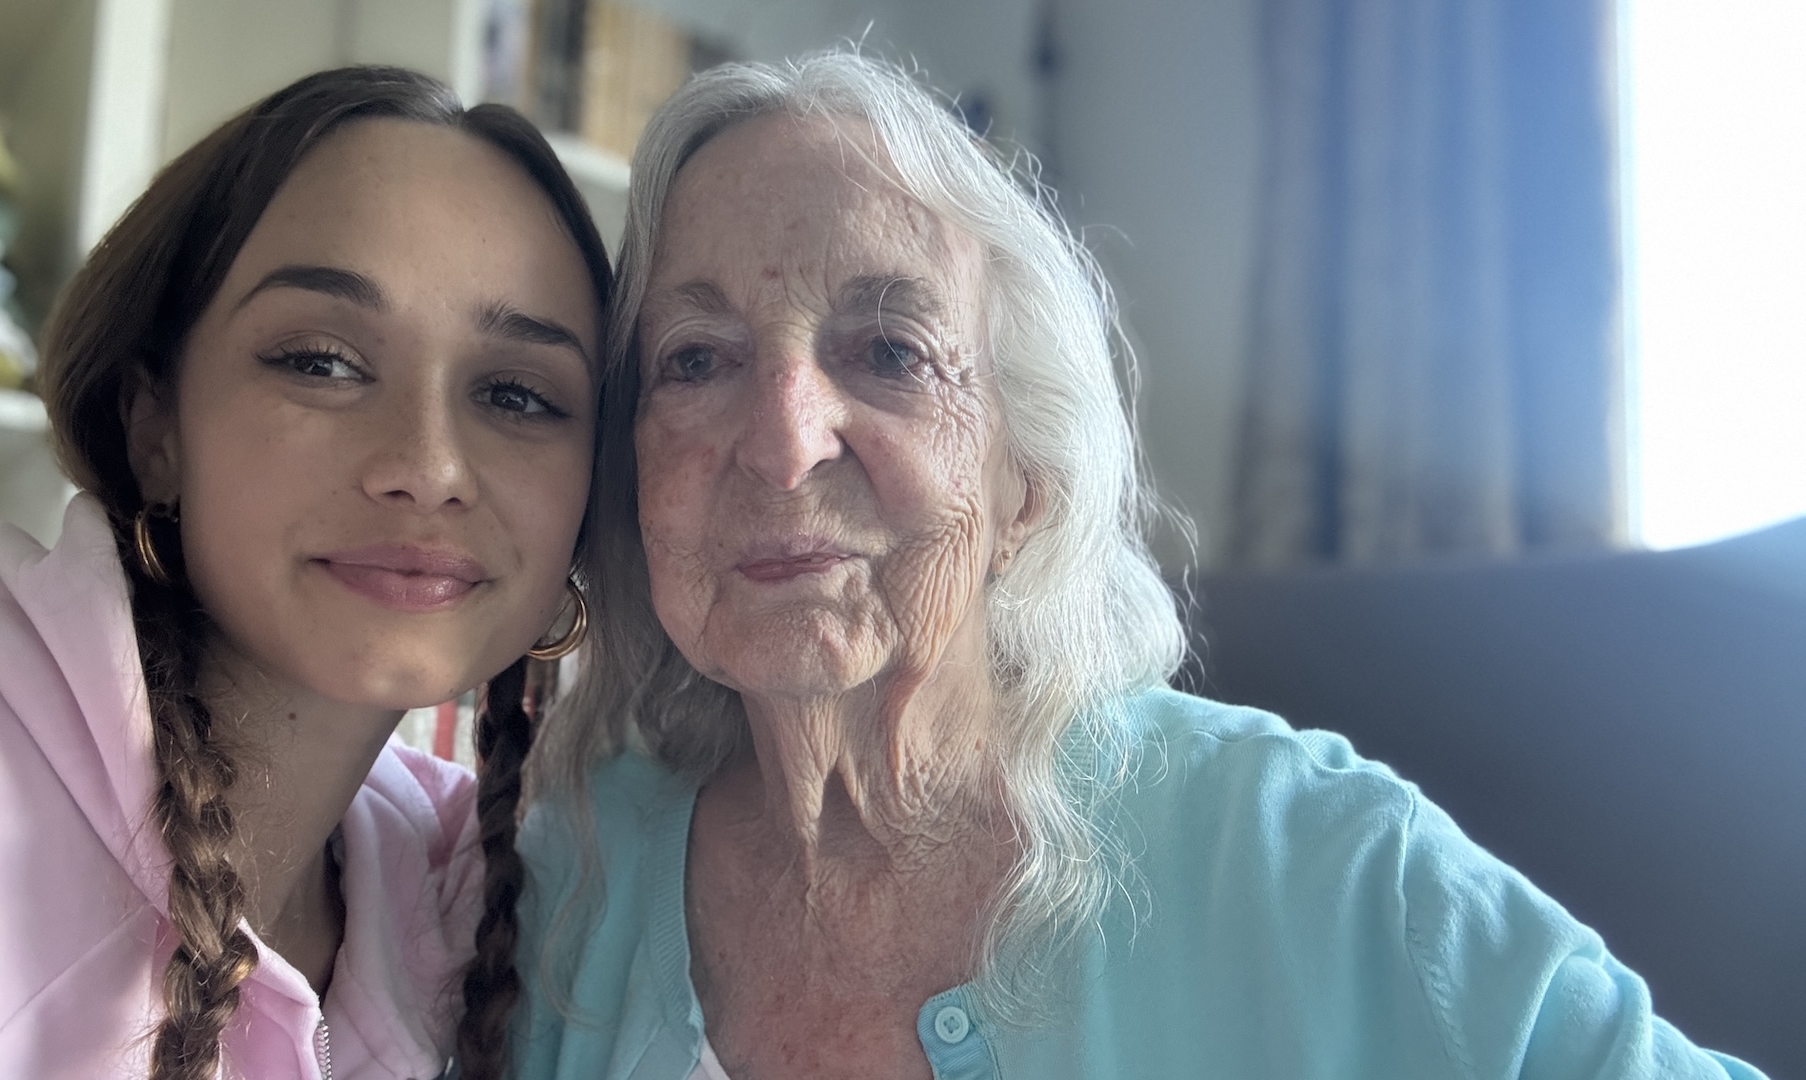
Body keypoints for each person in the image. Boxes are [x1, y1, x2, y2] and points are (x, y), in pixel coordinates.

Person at [508, 52, 1769, 1080]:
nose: (783, 442)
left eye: (889, 351)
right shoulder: (565, 874)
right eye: (695, 359)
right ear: (633, 480)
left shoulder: (1310, 859)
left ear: (1026, 485)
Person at [0, 67, 608, 1080]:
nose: (429, 469)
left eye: (517, 394)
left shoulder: (470, 888)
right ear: (155, 425)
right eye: (320, 361)